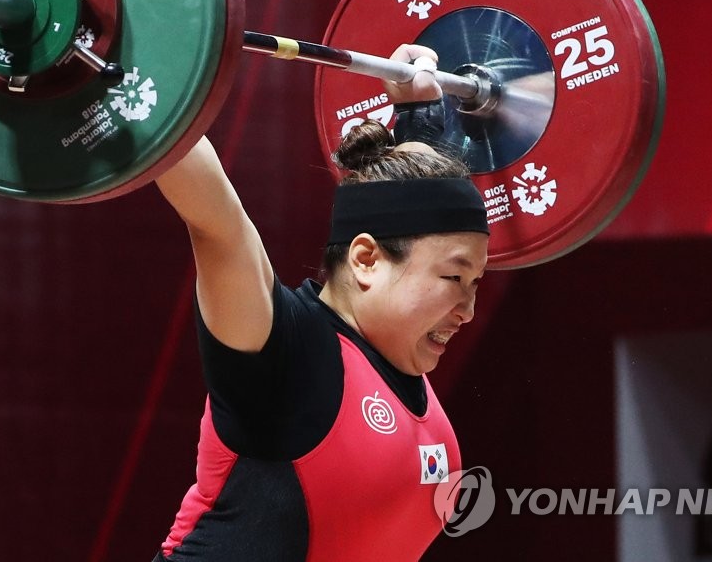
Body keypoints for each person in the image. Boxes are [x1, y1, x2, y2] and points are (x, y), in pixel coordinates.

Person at [151, 45, 490, 561]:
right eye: (453, 278)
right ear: (366, 260)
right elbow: (216, 221)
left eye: (476, 283)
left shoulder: (395, 361)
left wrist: (419, 120)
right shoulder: (287, 354)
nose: (467, 309)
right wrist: (122, 81)